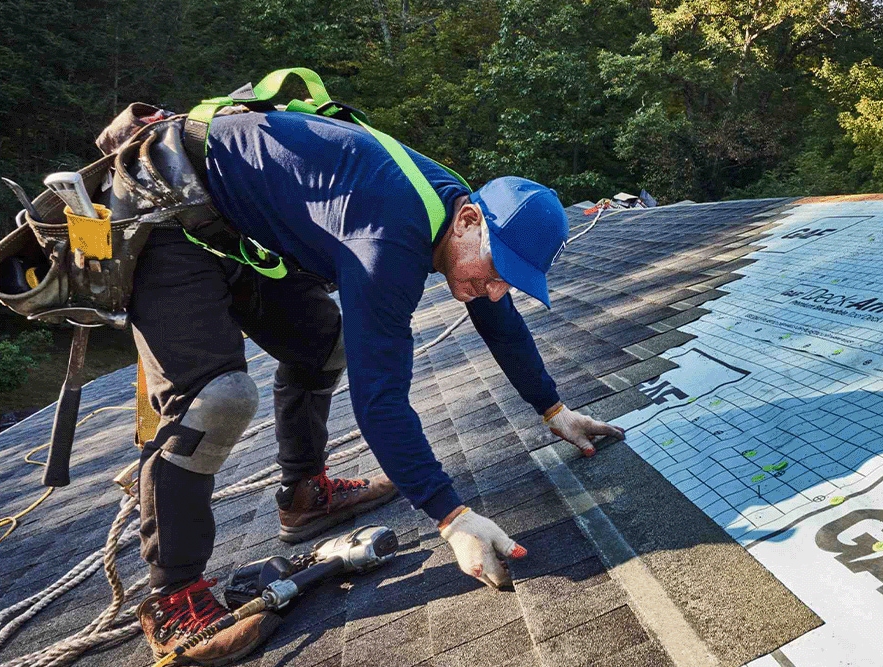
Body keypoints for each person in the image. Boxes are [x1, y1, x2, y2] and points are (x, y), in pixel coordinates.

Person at [117, 107, 623, 665]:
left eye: (513, 281)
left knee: (324, 344)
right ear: (470, 222)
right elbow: (379, 398)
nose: (498, 290)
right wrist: (452, 518)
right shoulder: (389, 237)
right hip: (164, 210)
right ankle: (172, 597)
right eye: (498, 269)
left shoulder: (457, 211)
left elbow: (494, 313)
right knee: (216, 399)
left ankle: (303, 495)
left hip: (236, 225)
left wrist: (554, 410)